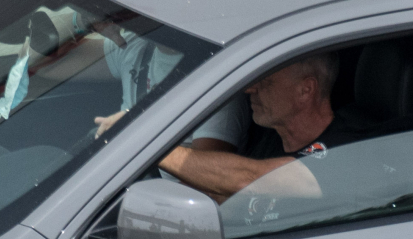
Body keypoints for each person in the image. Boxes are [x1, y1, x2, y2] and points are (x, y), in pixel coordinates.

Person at [159, 50, 373, 202]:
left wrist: (155, 150)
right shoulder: (270, 140)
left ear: (305, 90)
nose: (249, 88)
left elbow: (249, 180)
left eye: (265, 80)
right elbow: (223, 198)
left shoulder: (344, 149)